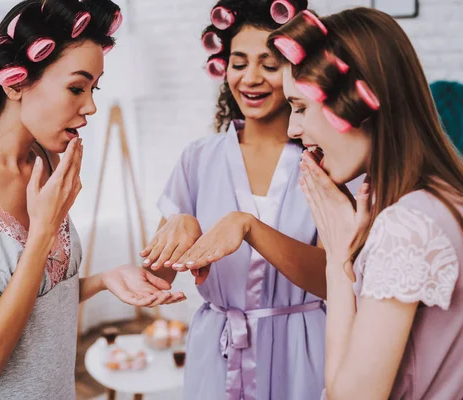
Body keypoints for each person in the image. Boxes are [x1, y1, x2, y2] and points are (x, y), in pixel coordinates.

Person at [182, 7, 463, 399]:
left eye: (300, 107)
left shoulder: (406, 225)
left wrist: (336, 258)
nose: (295, 128)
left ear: (356, 104)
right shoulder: (442, 200)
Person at [0, 0, 184, 398]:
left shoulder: (43, 160)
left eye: (93, 89)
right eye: (76, 87)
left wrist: (104, 281)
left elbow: (34, 300)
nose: (90, 106)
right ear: (15, 83)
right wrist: (42, 233)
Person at [140, 1, 328, 398]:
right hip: (217, 351)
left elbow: (334, 282)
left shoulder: (328, 161)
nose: (250, 78)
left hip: (302, 352)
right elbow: (155, 284)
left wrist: (249, 227)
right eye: (239, 62)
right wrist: (181, 230)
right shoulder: (198, 158)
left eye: (269, 64)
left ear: (299, 72)